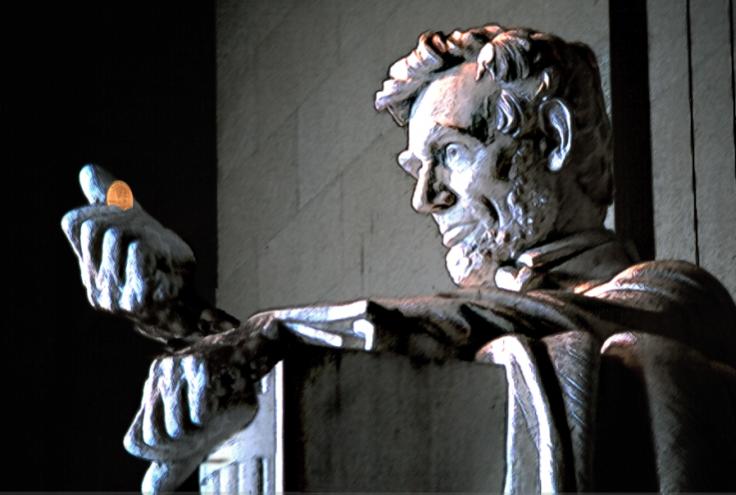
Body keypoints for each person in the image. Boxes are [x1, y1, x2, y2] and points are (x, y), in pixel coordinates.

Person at [62, 25, 736, 493]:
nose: (425, 197)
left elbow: (515, 321)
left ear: (554, 139)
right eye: (417, 167)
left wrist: (271, 335)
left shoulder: (676, 296)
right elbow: (338, 380)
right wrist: (182, 317)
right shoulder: (468, 332)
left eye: (451, 154)